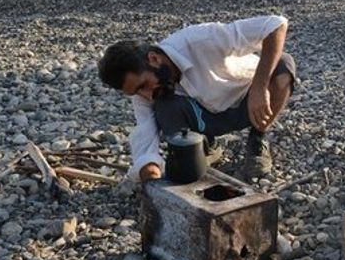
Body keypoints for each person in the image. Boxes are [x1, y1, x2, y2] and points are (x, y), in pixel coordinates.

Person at [97, 15, 297, 182]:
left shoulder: (200, 39)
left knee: (283, 67)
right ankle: (201, 149)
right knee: (165, 107)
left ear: (154, 59)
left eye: (143, 85)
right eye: (136, 93)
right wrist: (151, 177)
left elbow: (275, 24)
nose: (146, 95)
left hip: (251, 101)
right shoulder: (147, 93)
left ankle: (257, 138)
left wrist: (260, 86)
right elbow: (145, 138)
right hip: (206, 118)